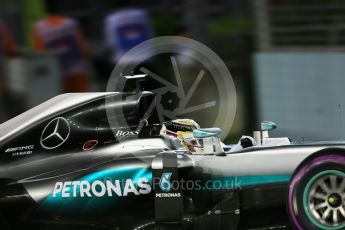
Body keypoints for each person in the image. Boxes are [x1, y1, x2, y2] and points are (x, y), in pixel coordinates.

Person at [31, 11, 90, 92]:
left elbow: (40, 54)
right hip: (76, 71)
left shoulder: (38, 27)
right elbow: (83, 49)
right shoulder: (70, 23)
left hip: (54, 75)